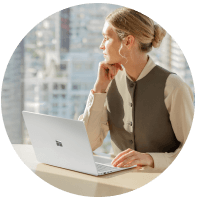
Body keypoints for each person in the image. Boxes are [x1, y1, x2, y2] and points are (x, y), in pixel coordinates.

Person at [78, 7, 194, 172]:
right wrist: (99, 89)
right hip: (116, 184)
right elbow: (87, 143)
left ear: (128, 42)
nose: (101, 46)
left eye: (106, 38)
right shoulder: (109, 81)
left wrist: (150, 159)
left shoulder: (173, 86)